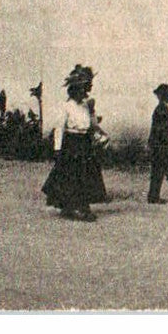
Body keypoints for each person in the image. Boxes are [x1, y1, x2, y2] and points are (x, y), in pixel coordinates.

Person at [40, 64, 108, 221]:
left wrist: (100, 131)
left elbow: (92, 124)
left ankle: (77, 206)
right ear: (74, 90)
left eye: (85, 89)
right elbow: (59, 128)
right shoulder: (66, 106)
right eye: (81, 89)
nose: (84, 93)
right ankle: (77, 208)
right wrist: (57, 148)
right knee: (72, 176)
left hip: (84, 142)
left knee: (86, 175)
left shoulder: (86, 106)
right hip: (72, 143)